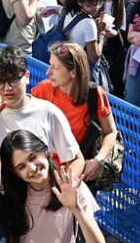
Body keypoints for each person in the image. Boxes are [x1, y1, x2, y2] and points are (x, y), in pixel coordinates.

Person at [0, 130, 107, 243]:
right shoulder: (13, 200)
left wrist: (75, 208)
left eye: (33, 157)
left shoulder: (71, 187)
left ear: (45, 151)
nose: (32, 168)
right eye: (21, 166)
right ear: (15, 173)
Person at [32, 43, 119, 186]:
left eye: (55, 67)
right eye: (50, 65)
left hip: (79, 174)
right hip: (45, 172)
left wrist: (99, 160)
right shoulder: (42, 91)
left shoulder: (95, 94)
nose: (48, 72)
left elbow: (110, 132)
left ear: (73, 72)